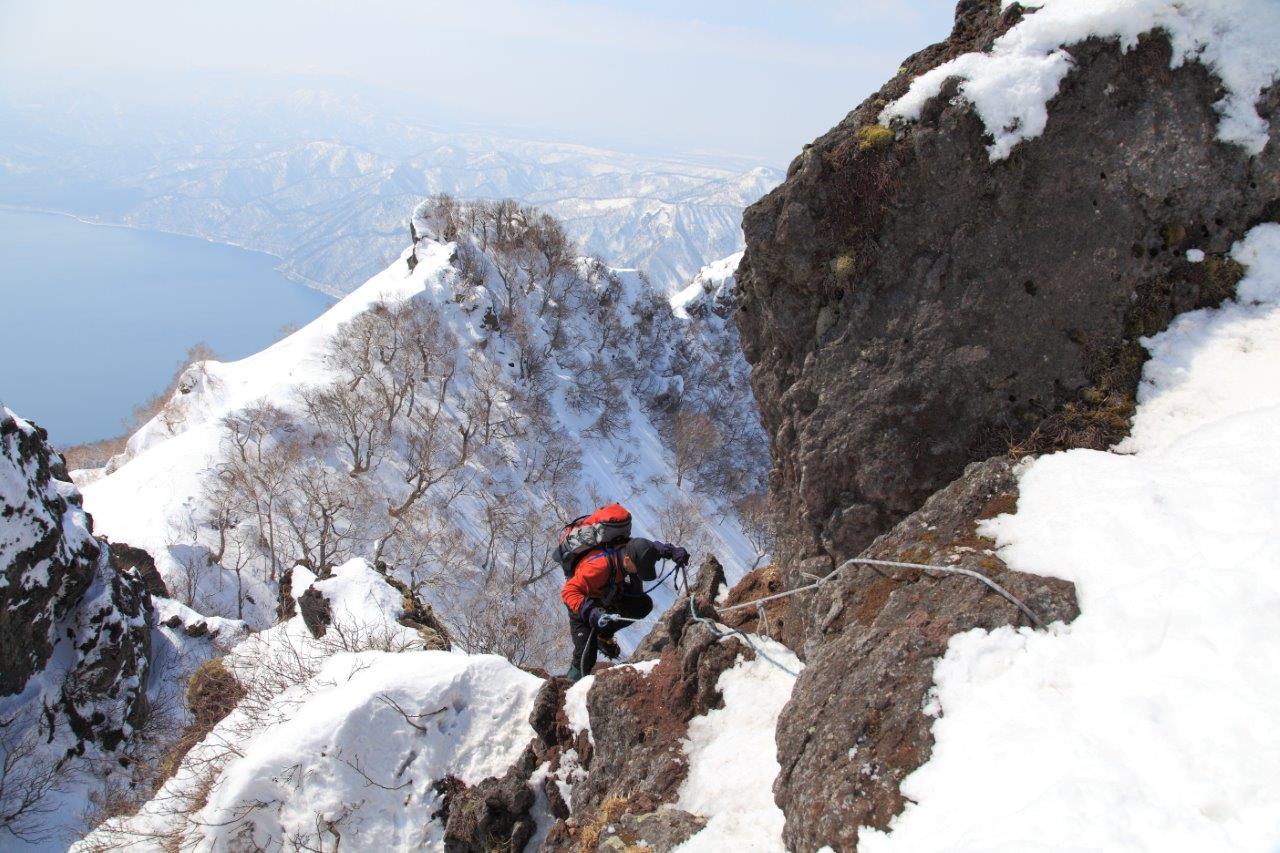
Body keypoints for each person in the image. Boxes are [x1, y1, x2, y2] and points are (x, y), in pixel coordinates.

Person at [561, 537, 689, 682]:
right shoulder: (599, 567)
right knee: (586, 656)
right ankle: (568, 689)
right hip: (580, 602)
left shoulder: (633, 549)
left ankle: (603, 634)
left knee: (642, 605)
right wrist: (591, 612)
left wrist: (672, 552)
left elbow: (653, 548)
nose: (639, 573)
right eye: (639, 568)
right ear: (627, 560)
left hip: (606, 592)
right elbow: (568, 592)